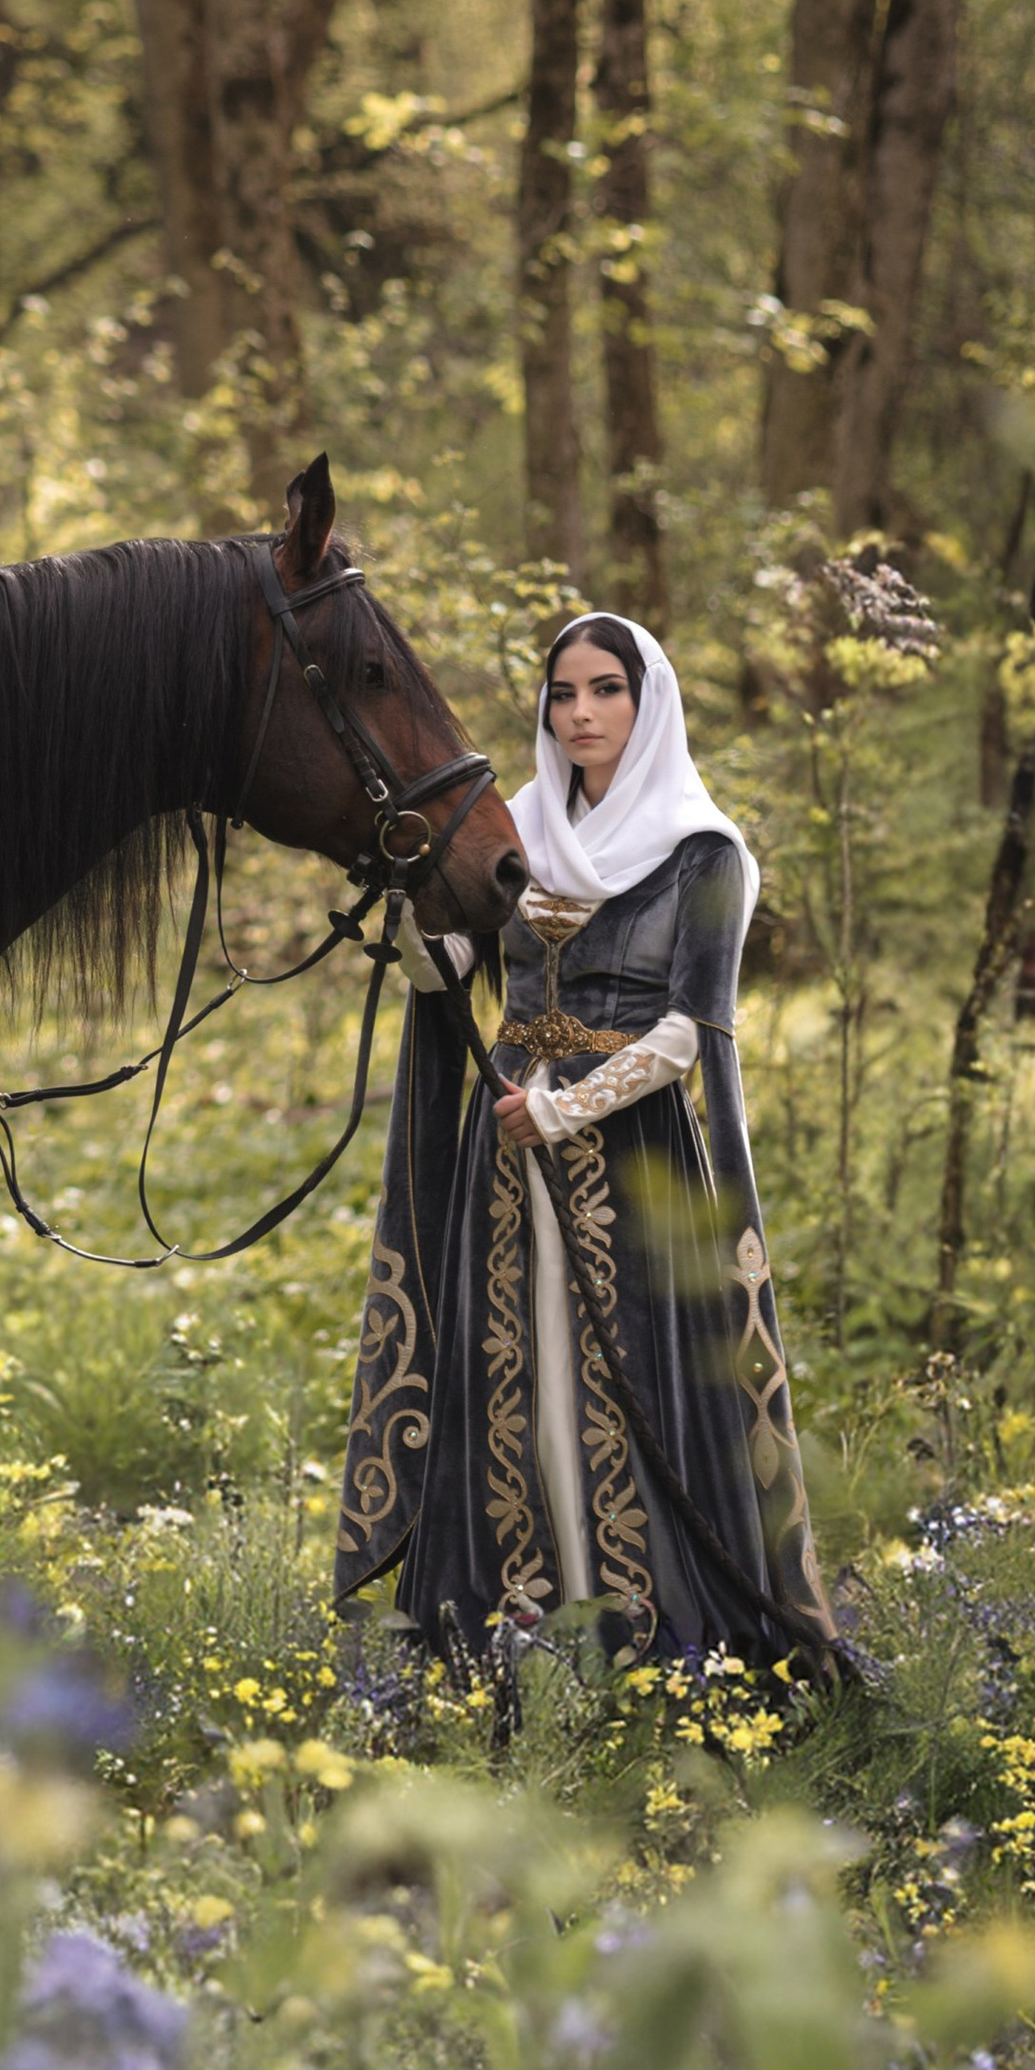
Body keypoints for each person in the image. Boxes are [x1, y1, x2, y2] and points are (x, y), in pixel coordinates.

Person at [334, 610, 839, 1674]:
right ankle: (517, 1625)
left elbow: (688, 1031)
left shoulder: (705, 852)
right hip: (503, 1159)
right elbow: (457, 965)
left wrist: (563, 1106)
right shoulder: (510, 830)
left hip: (632, 1160)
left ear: (646, 700)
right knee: (505, 1375)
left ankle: (647, 1632)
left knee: (630, 1385)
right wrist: (412, 922)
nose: (580, 714)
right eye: (562, 695)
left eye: (604, 690)